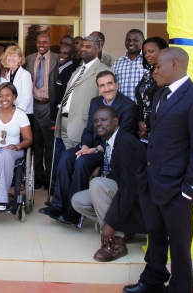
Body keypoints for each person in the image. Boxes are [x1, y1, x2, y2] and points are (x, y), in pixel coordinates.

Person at [125, 48, 193, 293]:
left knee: (179, 243)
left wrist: (191, 190)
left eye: (157, 67)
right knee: (155, 236)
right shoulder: (159, 95)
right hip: (152, 182)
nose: (153, 72)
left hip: (178, 189)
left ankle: (180, 288)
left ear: (175, 64)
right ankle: (152, 280)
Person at [41, 70, 137, 226]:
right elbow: (89, 129)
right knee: (66, 156)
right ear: (99, 88)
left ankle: (74, 213)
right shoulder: (95, 102)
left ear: (116, 85)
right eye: (102, 85)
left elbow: (121, 140)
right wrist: (85, 145)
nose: (106, 89)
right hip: (90, 147)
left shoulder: (128, 106)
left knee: (82, 161)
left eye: (109, 84)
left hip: (110, 152)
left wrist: (94, 149)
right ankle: (58, 206)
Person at [71, 107, 147, 262]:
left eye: (103, 120)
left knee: (97, 185)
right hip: (124, 193)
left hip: (140, 203)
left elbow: (130, 188)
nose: (99, 124)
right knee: (78, 200)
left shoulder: (127, 143)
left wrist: (110, 223)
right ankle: (124, 228)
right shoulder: (110, 141)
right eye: (96, 121)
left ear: (115, 121)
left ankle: (116, 241)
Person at [54, 36, 111, 152]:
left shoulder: (104, 71)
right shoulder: (77, 70)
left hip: (81, 126)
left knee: (77, 165)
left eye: (88, 47)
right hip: (64, 124)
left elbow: (106, 104)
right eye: (82, 46)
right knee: (65, 166)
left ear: (98, 49)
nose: (83, 49)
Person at [25, 34, 58, 189]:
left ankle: (49, 178)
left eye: (45, 42)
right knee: (36, 143)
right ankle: (37, 177)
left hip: (48, 106)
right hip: (33, 106)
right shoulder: (29, 59)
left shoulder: (57, 59)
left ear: (50, 43)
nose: (41, 44)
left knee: (49, 144)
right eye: (39, 42)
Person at [135, 37, 168, 145]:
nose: (147, 55)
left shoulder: (168, 75)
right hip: (144, 133)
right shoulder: (147, 75)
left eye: (151, 51)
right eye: (145, 52)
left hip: (160, 130)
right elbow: (141, 101)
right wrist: (140, 121)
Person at [112, 29, 145, 103]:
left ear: (143, 41)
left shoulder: (148, 62)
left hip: (142, 110)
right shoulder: (117, 64)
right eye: (128, 40)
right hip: (122, 110)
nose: (131, 43)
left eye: (135, 40)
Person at [0, 46, 33, 116]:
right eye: (9, 55)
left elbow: (27, 98)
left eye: (14, 56)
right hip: (8, 112)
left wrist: (16, 113)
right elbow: (1, 94)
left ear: (20, 59)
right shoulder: (5, 74)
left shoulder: (25, 74)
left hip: (23, 113)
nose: (11, 58)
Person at [50, 43, 78, 123]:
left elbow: (64, 93)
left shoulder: (70, 70)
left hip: (61, 111)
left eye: (65, 53)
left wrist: (55, 112)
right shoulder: (61, 67)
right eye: (60, 52)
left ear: (72, 56)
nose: (61, 55)